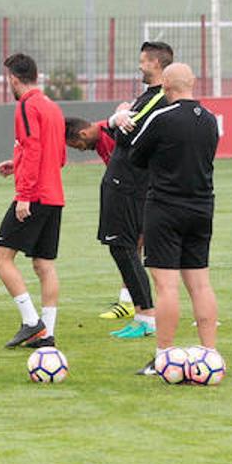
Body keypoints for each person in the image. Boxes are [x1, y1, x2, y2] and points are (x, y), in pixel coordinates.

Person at [126, 63, 219, 376]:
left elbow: (135, 155)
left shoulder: (162, 117)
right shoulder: (210, 121)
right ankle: (210, 353)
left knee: (166, 287)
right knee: (201, 284)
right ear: (193, 83)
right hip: (202, 207)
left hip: (166, 208)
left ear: (165, 85)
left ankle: (164, 356)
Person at [93, 40, 172, 339]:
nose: (139, 65)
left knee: (124, 247)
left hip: (128, 184)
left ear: (156, 64)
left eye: (143, 60)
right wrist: (118, 118)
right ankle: (142, 314)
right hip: (122, 182)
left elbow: (127, 136)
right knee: (122, 248)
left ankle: (146, 316)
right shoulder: (147, 96)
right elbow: (120, 128)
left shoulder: (157, 98)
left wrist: (119, 119)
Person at [0, 53, 66, 350]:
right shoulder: (52, 106)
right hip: (54, 195)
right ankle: (47, 332)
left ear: (13, 78)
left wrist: (24, 194)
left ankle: (31, 322)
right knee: (44, 264)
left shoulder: (26, 105)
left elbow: (33, 147)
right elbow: (57, 156)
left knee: (0, 258)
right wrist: (18, 164)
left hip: (34, 196)